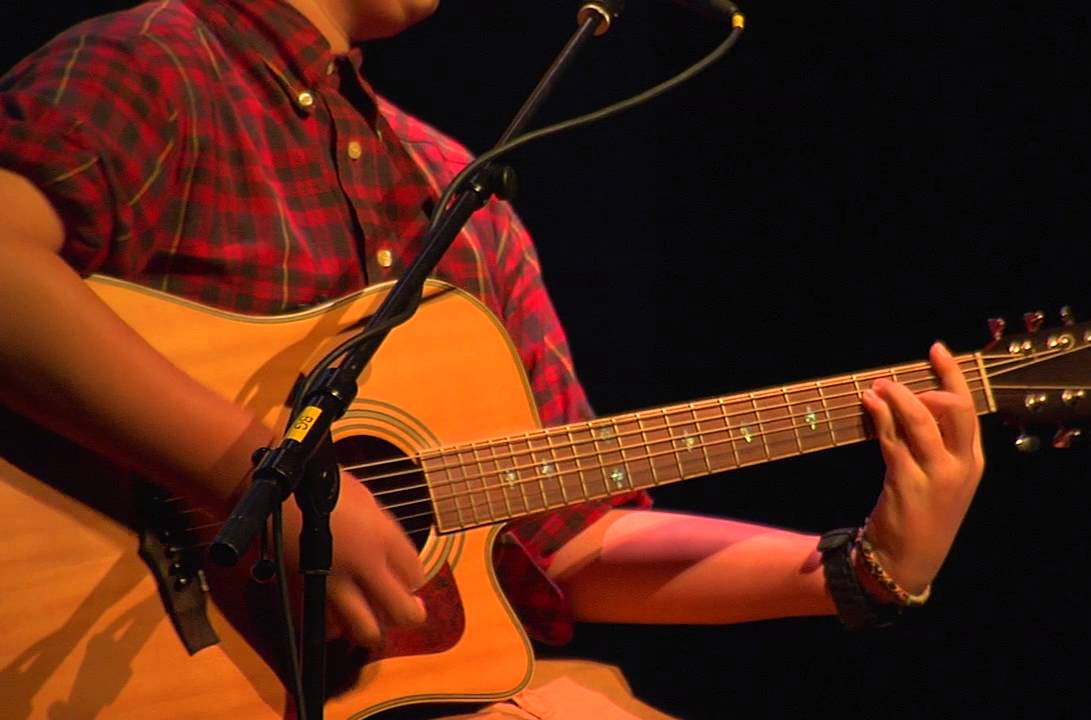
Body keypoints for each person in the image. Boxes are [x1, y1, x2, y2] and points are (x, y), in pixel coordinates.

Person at [0, 0, 984, 717]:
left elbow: (568, 536)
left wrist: (860, 569)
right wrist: (264, 482)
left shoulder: (460, 200)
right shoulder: (156, 65)